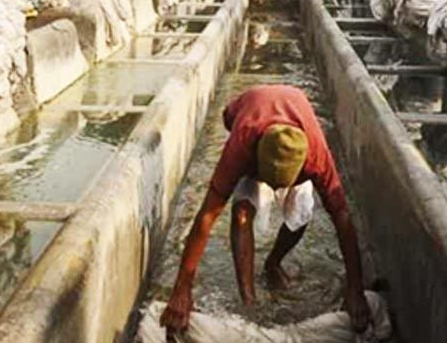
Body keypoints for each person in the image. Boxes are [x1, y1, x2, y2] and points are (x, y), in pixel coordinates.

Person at [160, 85, 373, 335]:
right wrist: (182, 289)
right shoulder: (241, 144)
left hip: (292, 147)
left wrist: (355, 289)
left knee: (301, 213)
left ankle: (272, 264)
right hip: (253, 144)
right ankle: (249, 301)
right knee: (241, 215)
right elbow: (208, 214)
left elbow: (342, 216)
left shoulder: (315, 156)